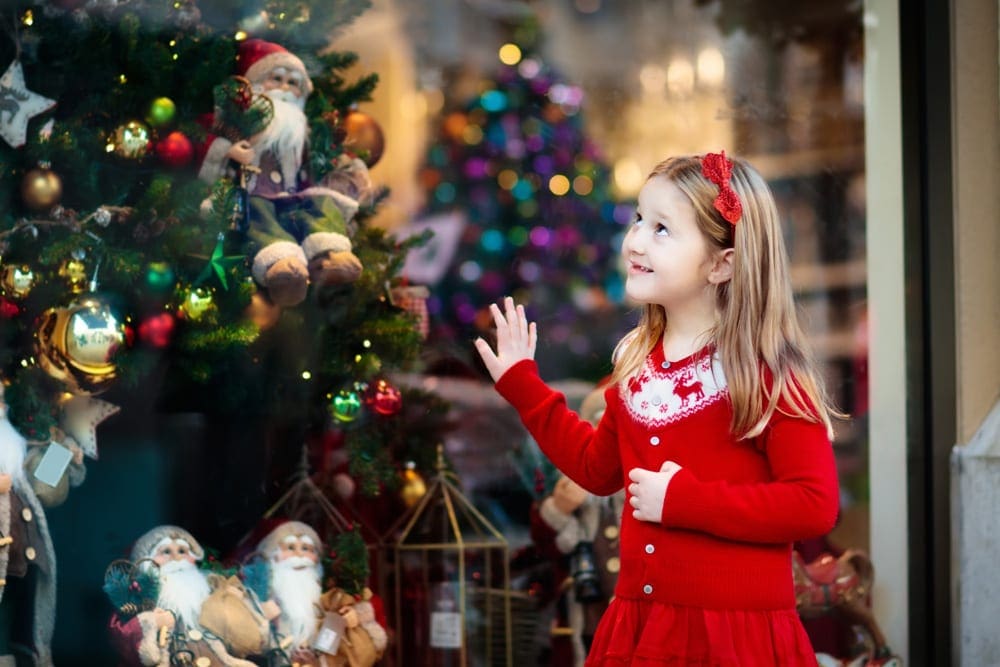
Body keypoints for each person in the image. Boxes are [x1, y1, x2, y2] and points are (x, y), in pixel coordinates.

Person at [475, 152, 840, 664]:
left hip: (732, 642)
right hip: (641, 632)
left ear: (722, 264)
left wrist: (684, 501)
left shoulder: (767, 373)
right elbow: (596, 470)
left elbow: (813, 503)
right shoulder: (635, 361)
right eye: (638, 220)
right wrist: (523, 385)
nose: (635, 241)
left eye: (662, 229)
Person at [198, 38, 363, 307]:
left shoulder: (301, 130)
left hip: (291, 196)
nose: (285, 88)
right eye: (277, 78)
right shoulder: (241, 119)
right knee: (259, 213)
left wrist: (342, 161)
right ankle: (283, 268)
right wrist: (228, 151)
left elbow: (322, 157)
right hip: (252, 196)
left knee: (320, 202)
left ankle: (329, 256)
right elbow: (202, 134)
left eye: (293, 82)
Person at [255, 521, 386, 666]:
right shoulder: (260, 598)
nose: (299, 555)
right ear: (273, 557)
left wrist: (358, 615)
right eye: (290, 548)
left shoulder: (328, 600)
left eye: (306, 548)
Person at [0, 385, 56, 667]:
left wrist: (61, 451)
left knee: (10, 610)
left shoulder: (16, 456)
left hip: (18, 558)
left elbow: (44, 489)